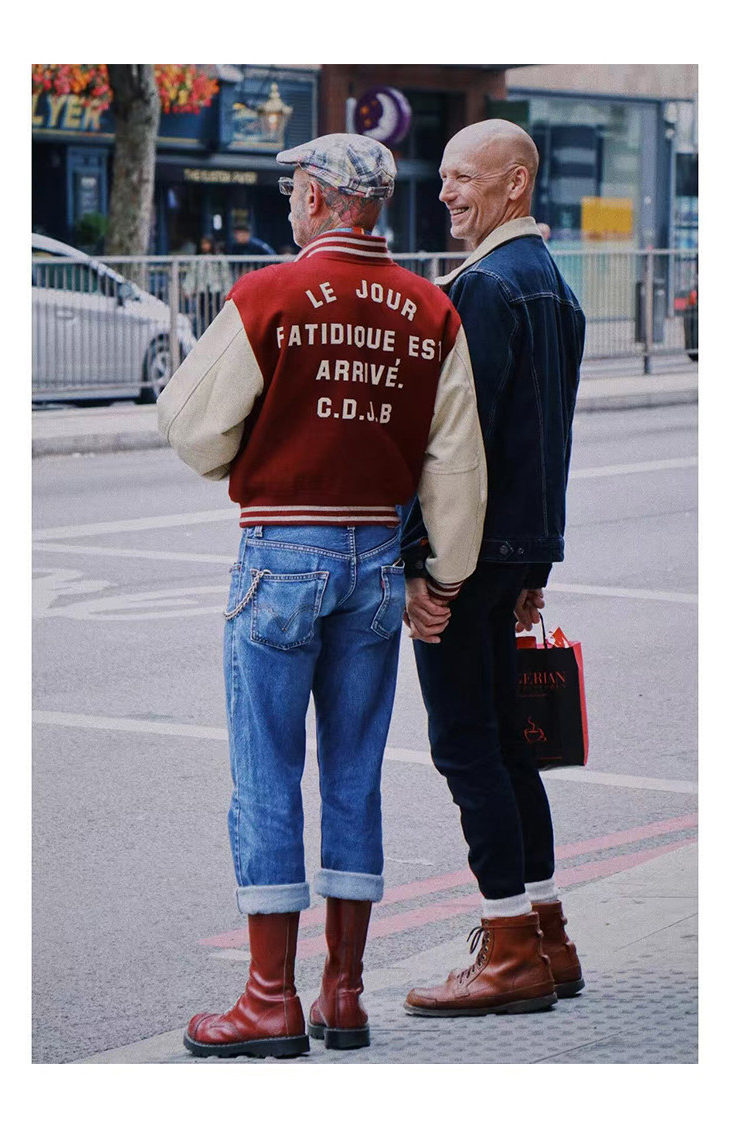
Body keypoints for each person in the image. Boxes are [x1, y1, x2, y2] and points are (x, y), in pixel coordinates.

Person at [157, 132, 487, 1058]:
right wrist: (444, 575)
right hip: (377, 558)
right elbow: (455, 463)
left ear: (313, 198)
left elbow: (189, 424)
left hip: (282, 549)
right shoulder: (431, 307)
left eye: (292, 191)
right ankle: (343, 993)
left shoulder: (268, 295)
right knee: (353, 771)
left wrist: (251, 453)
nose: (291, 205)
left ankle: (269, 997)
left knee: (266, 770)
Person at [400, 119, 586, 1017]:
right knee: (512, 748)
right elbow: (549, 441)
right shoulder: (554, 285)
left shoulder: (484, 288)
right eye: (443, 177)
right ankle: (549, 937)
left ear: (516, 184)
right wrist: (534, 565)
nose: (445, 193)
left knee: (465, 746)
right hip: (512, 553)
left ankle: (509, 951)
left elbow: (455, 443)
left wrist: (426, 565)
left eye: (463, 177)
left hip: (467, 556)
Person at [181, 234, 234, 336]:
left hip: (216, 290)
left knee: (217, 314)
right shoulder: (197, 260)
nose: (205, 246)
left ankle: (217, 335)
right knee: (203, 315)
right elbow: (192, 275)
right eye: (203, 244)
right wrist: (188, 289)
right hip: (202, 290)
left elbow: (225, 276)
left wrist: (227, 291)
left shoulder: (219, 259)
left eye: (207, 243)